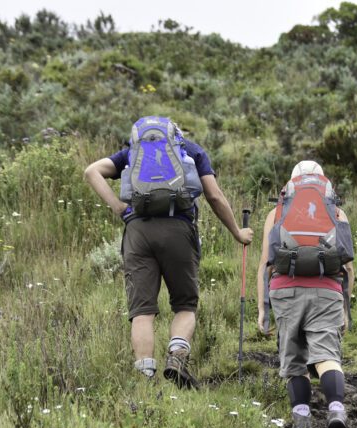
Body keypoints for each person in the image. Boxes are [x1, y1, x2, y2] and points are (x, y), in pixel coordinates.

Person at [85, 117, 253, 389]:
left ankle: (145, 381)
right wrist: (237, 232)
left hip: (138, 231)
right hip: (178, 229)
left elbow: (91, 171)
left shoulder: (131, 152)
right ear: (176, 134)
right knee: (185, 305)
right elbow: (214, 196)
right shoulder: (192, 150)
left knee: (142, 311)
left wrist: (120, 208)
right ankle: (176, 358)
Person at [257, 161, 354, 428]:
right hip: (327, 290)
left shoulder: (276, 213)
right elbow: (348, 267)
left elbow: (265, 264)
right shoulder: (336, 211)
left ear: (291, 185)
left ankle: (302, 423)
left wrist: (263, 308)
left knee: (295, 361)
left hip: (285, 291)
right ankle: (336, 409)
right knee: (327, 356)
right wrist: (346, 309)